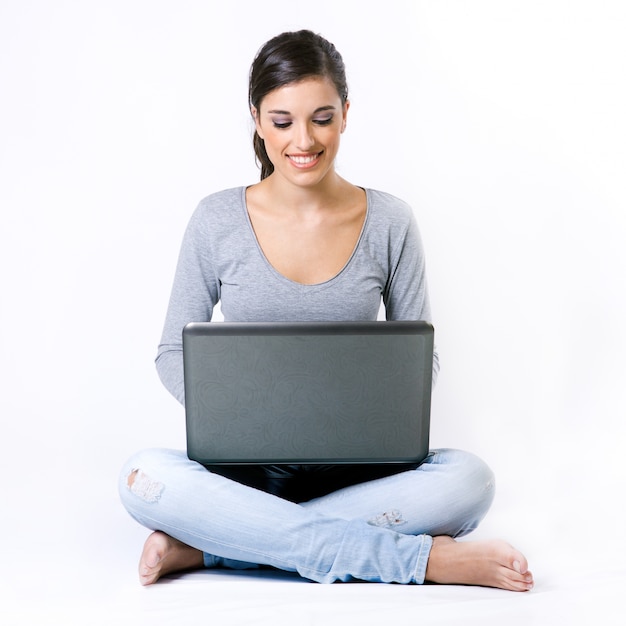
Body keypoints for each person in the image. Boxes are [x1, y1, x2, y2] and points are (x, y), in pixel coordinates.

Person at [118, 29, 533, 592]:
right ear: (257, 120)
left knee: (469, 481)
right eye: (282, 121)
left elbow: (419, 361)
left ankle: (218, 547)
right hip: (247, 476)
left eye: (321, 117)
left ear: (345, 115)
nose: (303, 140)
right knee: (142, 476)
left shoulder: (390, 221)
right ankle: (418, 562)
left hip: (363, 472)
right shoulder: (215, 219)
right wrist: (245, 415)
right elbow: (171, 351)